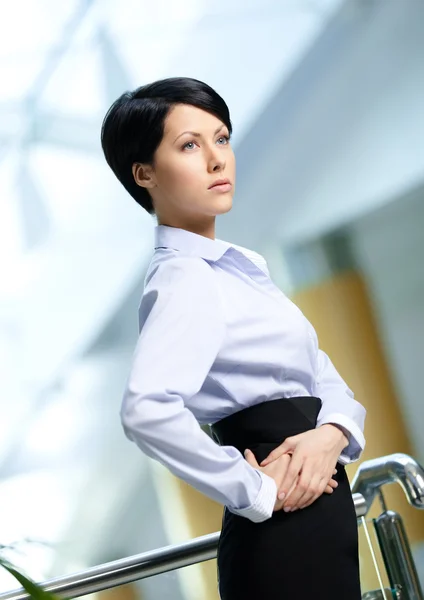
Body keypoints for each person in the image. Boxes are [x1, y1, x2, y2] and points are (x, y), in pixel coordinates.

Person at [100, 76, 366, 599]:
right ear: (144, 173)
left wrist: (330, 434)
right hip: (282, 521)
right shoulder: (185, 276)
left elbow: (325, 378)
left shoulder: (242, 269)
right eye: (189, 145)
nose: (217, 159)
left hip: (321, 506)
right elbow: (145, 410)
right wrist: (254, 490)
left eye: (221, 138)